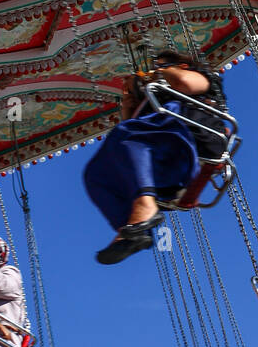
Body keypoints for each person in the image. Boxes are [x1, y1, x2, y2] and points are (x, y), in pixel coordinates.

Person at [83, 48, 228, 264]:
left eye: (159, 66)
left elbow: (186, 83)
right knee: (95, 174)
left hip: (191, 136)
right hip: (162, 160)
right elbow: (127, 145)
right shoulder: (149, 109)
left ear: (181, 66)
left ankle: (145, 205)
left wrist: (159, 73)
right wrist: (130, 103)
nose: (153, 72)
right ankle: (132, 230)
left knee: (127, 135)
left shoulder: (200, 80)